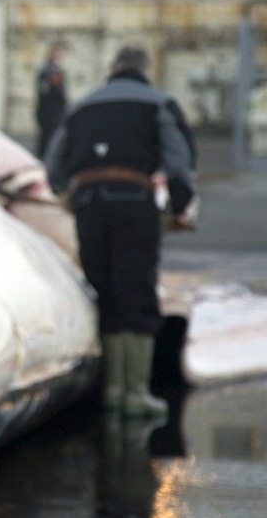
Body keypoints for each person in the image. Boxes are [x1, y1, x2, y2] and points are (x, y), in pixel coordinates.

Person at [45, 45, 198, 418]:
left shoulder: (81, 106)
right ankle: (137, 394)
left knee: (105, 289)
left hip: (89, 206)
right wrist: (179, 205)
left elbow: (54, 166)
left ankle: (113, 393)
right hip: (134, 202)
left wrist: (70, 194)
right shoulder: (159, 103)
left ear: (112, 69)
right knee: (138, 289)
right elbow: (179, 159)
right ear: (144, 69)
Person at [35, 42, 67, 158]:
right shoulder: (46, 71)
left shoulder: (59, 71)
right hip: (48, 111)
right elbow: (43, 92)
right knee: (46, 138)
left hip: (56, 111)